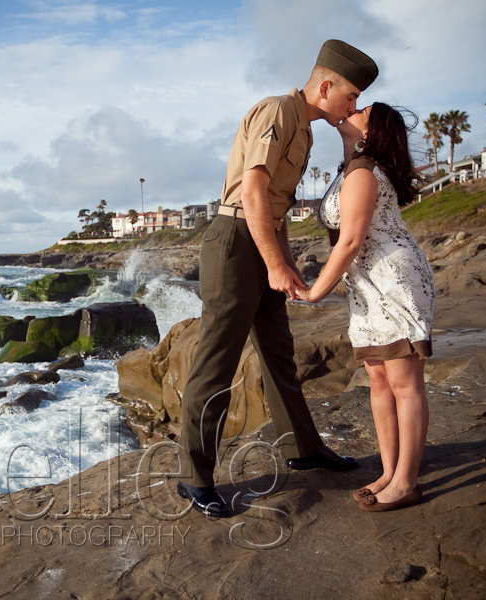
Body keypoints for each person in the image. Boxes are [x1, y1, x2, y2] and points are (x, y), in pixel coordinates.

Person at [176, 40, 379, 518]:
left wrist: (283, 265)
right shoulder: (278, 110)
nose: (352, 108)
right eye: (349, 98)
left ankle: (302, 448)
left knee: (278, 353)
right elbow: (253, 189)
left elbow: (279, 209)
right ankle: (193, 476)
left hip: (263, 241)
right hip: (233, 243)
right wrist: (271, 263)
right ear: (325, 85)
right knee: (217, 362)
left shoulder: (306, 131)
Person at [295, 102, 435, 512]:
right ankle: (391, 472)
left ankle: (407, 482)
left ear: (372, 133)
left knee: (404, 382)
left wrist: (316, 290)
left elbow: (351, 241)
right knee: (378, 381)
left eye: (362, 111)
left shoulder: (364, 172)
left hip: (394, 283)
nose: (351, 109)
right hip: (368, 286)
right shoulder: (351, 170)